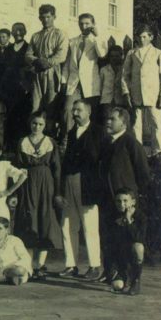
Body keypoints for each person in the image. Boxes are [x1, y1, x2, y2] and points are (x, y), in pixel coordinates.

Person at [98, 107, 151, 282]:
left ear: (124, 122)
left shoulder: (130, 143)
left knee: (127, 240)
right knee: (108, 238)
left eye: (112, 119)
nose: (108, 122)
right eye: (107, 118)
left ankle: (131, 277)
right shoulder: (106, 142)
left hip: (125, 203)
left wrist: (133, 199)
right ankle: (110, 272)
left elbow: (143, 174)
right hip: (108, 200)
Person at [12, 112, 64, 279]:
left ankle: (39, 265)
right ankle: (28, 265)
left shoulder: (50, 143)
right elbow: (17, 168)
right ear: (30, 123)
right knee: (28, 219)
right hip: (27, 183)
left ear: (45, 125)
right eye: (34, 123)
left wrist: (57, 192)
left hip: (46, 184)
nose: (37, 127)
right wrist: (15, 192)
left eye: (40, 124)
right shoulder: (22, 142)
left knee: (44, 221)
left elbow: (57, 169)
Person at [58, 99, 105, 280]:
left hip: (88, 185)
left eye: (79, 110)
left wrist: (98, 186)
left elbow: (102, 161)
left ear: (89, 112)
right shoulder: (71, 133)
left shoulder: (99, 132)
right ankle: (71, 265)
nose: (75, 113)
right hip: (70, 181)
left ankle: (94, 266)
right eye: (73, 110)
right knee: (67, 224)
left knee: (89, 225)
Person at [122, 25, 161, 156]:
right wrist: (126, 92)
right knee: (136, 125)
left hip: (153, 94)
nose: (141, 39)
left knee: (156, 124)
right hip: (136, 94)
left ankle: (157, 153)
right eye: (139, 37)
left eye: (144, 36)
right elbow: (125, 75)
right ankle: (138, 153)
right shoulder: (132, 53)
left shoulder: (158, 54)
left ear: (151, 37)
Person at [63, 14, 109, 129]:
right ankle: (67, 141)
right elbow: (67, 64)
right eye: (81, 23)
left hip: (90, 84)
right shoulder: (73, 41)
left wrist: (97, 36)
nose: (84, 26)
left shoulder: (97, 40)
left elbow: (102, 54)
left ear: (93, 24)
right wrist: (64, 81)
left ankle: (90, 142)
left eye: (87, 23)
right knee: (68, 112)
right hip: (74, 83)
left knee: (90, 114)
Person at [29, 4, 69, 134]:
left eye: (48, 17)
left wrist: (47, 62)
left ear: (54, 17)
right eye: (43, 17)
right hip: (38, 73)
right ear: (39, 18)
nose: (45, 20)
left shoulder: (60, 34)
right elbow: (28, 54)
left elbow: (61, 55)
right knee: (35, 105)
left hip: (52, 73)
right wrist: (36, 61)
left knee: (51, 106)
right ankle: (35, 135)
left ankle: (50, 137)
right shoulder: (35, 36)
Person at [0, 22, 35, 153]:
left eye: (20, 30)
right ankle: (10, 150)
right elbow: (2, 70)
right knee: (10, 119)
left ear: (25, 32)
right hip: (9, 90)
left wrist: (27, 85)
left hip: (23, 90)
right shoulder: (8, 49)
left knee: (23, 119)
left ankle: (22, 149)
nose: (17, 33)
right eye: (15, 31)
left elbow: (32, 68)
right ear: (11, 33)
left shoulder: (29, 48)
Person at [107, 188, 146, 295]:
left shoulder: (140, 217)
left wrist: (128, 220)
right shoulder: (111, 217)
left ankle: (136, 281)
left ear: (133, 202)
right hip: (119, 258)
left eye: (125, 200)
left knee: (138, 247)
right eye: (118, 201)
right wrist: (110, 270)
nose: (121, 204)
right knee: (118, 286)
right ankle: (123, 277)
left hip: (132, 256)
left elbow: (138, 238)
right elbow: (108, 245)